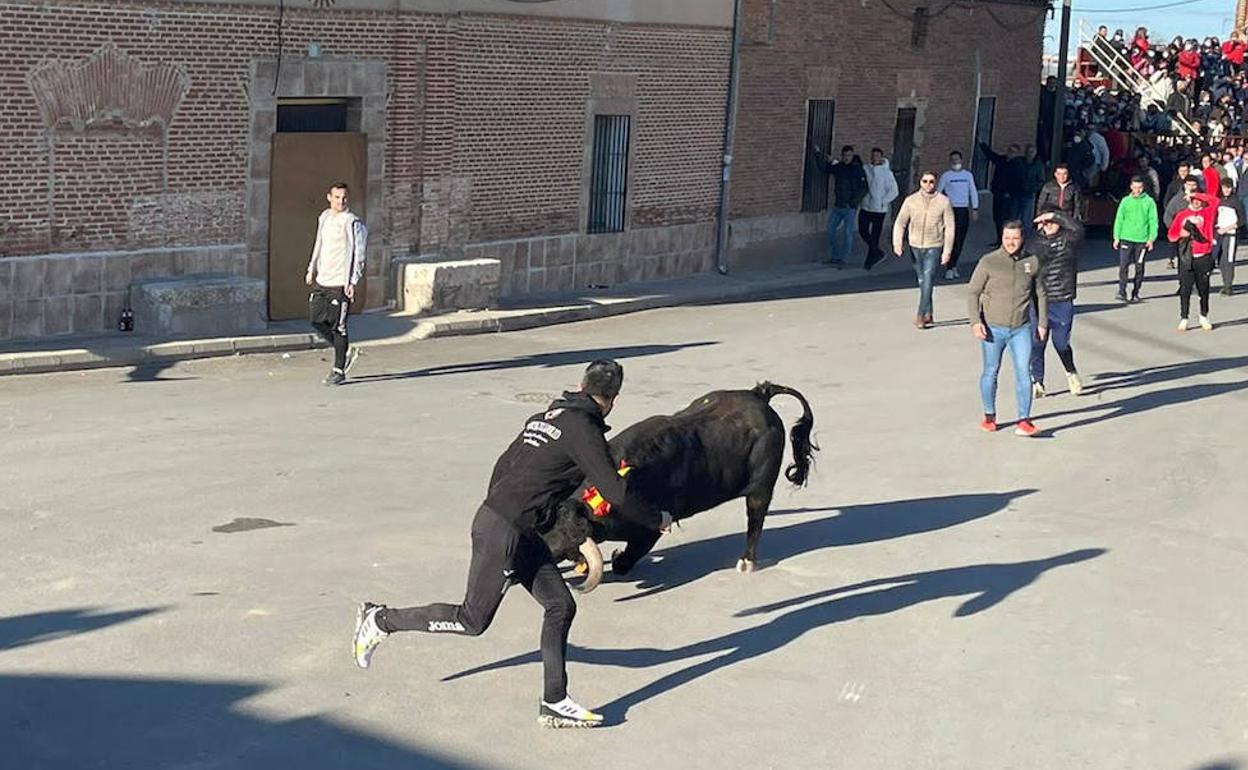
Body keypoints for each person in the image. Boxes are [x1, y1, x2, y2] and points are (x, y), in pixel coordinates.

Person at [351, 360, 671, 728]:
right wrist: (655, 518)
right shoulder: (583, 429)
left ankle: (554, 701)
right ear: (613, 400)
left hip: (515, 529)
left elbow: (504, 466)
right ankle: (380, 619)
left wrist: (521, 519)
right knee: (471, 620)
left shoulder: (545, 417)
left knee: (559, 606)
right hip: (505, 530)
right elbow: (615, 491)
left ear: (580, 383)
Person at [967, 221, 1048, 437]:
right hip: (993, 329)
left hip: (1021, 328)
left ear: (1022, 239)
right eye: (1007, 238)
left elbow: (1040, 294)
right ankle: (989, 416)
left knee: (1023, 373)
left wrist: (1042, 323)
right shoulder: (989, 262)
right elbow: (973, 292)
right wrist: (976, 322)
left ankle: (1024, 421)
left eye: (1015, 238)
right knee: (991, 371)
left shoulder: (1031, 262)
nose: (1011, 242)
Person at [306, 182, 366, 386]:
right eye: (337, 197)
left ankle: (338, 370)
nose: (341, 201)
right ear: (329, 197)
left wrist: (353, 281)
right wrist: (311, 268)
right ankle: (345, 350)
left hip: (340, 282)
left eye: (344, 198)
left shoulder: (352, 222)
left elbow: (359, 253)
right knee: (316, 320)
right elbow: (318, 243)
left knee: (338, 326)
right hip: (323, 279)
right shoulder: (324, 217)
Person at [1028, 207, 1085, 398]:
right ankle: (1037, 381)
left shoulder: (1068, 239)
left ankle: (1071, 372)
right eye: (1044, 222)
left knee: (1061, 343)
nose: (1048, 226)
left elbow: (1078, 229)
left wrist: (1055, 215)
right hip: (1040, 299)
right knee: (1037, 342)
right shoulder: (1034, 242)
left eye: (1051, 222)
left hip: (1062, 298)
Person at [893, 172, 955, 329]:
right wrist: (897, 242)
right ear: (920, 182)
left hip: (934, 245)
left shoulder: (943, 201)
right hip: (915, 246)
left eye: (932, 181)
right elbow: (900, 222)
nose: (928, 184)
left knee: (927, 278)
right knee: (922, 281)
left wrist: (947, 250)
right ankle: (929, 312)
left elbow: (950, 227)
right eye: (925, 181)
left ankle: (920, 315)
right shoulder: (911, 201)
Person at [812, 144, 868, 267]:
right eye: (845, 155)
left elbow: (864, 189)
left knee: (848, 234)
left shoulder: (858, 170)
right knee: (830, 231)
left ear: (852, 156)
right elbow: (824, 168)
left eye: (849, 155)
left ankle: (844, 259)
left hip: (849, 208)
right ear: (842, 156)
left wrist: (853, 202)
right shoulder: (839, 167)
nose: (847, 158)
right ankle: (835, 256)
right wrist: (818, 154)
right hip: (838, 206)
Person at [1168, 193, 1218, 331]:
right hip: (1187, 257)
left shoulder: (1207, 213)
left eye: (1200, 201)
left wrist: (1195, 193)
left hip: (1204, 255)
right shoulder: (1182, 215)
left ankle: (1204, 315)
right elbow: (1171, 235)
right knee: (1185, 289)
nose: (1197, 202)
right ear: (1190, 201)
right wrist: (1181, 234)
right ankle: (1184, 317)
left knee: (1204, 289)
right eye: (1194, 200)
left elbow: (1214, 200)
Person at [1112, 176, 1159, 303]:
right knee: (1123, 265)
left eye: (1140, 188)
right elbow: (1119, 219)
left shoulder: (1149, 202)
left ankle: (1136, 292)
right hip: (1126, 238)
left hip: (1142, 240)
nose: (1137, 190)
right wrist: (1116, 237)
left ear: (1143, 188)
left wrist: (1151, 238)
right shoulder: (1125, 201)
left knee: (1139, 267)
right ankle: (1122, 291)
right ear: (1131, 187)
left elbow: (1153, 220)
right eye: (1135, 187)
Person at [936, 150, 979, 280]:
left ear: (961, 161)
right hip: (951, 209)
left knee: (960, 239)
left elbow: (973, 191)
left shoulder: (967, 175)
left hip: (963, 209)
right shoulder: (946, 176)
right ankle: (949, 266)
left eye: (957, 160)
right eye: (953, 160)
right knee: (951, 238)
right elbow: (938, 192)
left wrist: (975, 208)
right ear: (950, 162)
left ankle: (954, 265)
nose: (956, 162)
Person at [859, 147, 900, 270]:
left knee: (875, 235)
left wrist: (883, 201)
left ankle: (870, 260)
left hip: (879, 209)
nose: (874, 158)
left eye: (877, 156)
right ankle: (877, 252)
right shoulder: (866, 169)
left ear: (881, 157)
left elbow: (894, 191)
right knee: (863, 230)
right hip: (866, 206)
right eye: (872, 156)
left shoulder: (886, 173)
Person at [979, 142, 1026, 246]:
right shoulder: (1002, 160)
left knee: (1006, 219)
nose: (1010, 153)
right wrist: (982, 144)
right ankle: (999, 239)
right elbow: (991, 155)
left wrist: (1011, 193)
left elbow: (1020, 182)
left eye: (1013, 152)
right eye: (1009, 150)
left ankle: (1007, 241)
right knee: (997, 218)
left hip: (1009, 198)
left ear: (1017, 153)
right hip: (998, 194)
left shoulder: (1018, 165)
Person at [1163, 175, 1200, 270]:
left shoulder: (1202, 197)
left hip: (1199, 236)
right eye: (1189, 185)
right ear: (1185, 185)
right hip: (1183, 236)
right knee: (1184, 264)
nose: (1191, 187)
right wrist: (1177, 231)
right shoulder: (1177, 200)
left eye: (1194, 185)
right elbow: (1168, 216)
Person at [1214, 178, 1242, 295]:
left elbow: (1242, 220)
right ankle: (1225, 282)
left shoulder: (1236, 202)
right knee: (1220, 260)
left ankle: (1228, 286)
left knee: (1228, 260)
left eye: (1228, 187)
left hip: (1231, 234)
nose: (1226, 190)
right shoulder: (1219, 200)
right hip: (1219, 233)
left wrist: (1227, 228)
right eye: (1224, 187)